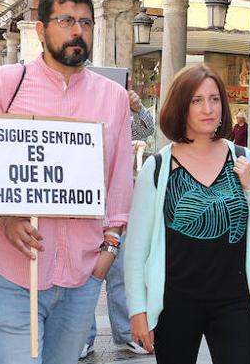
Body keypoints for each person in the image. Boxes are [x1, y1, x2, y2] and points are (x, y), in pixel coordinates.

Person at [0, 0, 133, 364]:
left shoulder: (112, 97)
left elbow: (119, 178)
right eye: (66, 20)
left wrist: (110, 249)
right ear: (40, 29)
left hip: (83, 275)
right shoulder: (4, 83)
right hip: (13, 271)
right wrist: (1, 218)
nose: (77, 31)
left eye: (85, 22)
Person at [124, 64, 250, 364]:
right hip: (175, 302)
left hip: (235, 302)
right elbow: (136, 250)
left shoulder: (242, 158)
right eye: (197, 100)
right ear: (181, 106)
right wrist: (138, 310)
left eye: (215, 99)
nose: (208, 108)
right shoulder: (159, 167)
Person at [81, 89, 155, 358]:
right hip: (79, 201)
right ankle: (82, 336)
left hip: (115, 202)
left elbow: (146, 129)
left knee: (120, 271)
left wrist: (136, 107)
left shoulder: (114, 110)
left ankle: (126, 332)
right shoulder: (68, 112)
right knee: (82, 273)